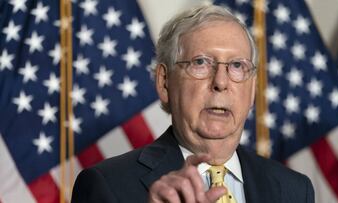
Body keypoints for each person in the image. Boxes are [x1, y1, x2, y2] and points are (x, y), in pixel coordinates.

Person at [71, 4, 314, 203]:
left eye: (237, 66)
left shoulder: (294, 190)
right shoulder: (106, 186)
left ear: (252, 89)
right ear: (165, 82)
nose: (220, 82)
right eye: (201, 63)